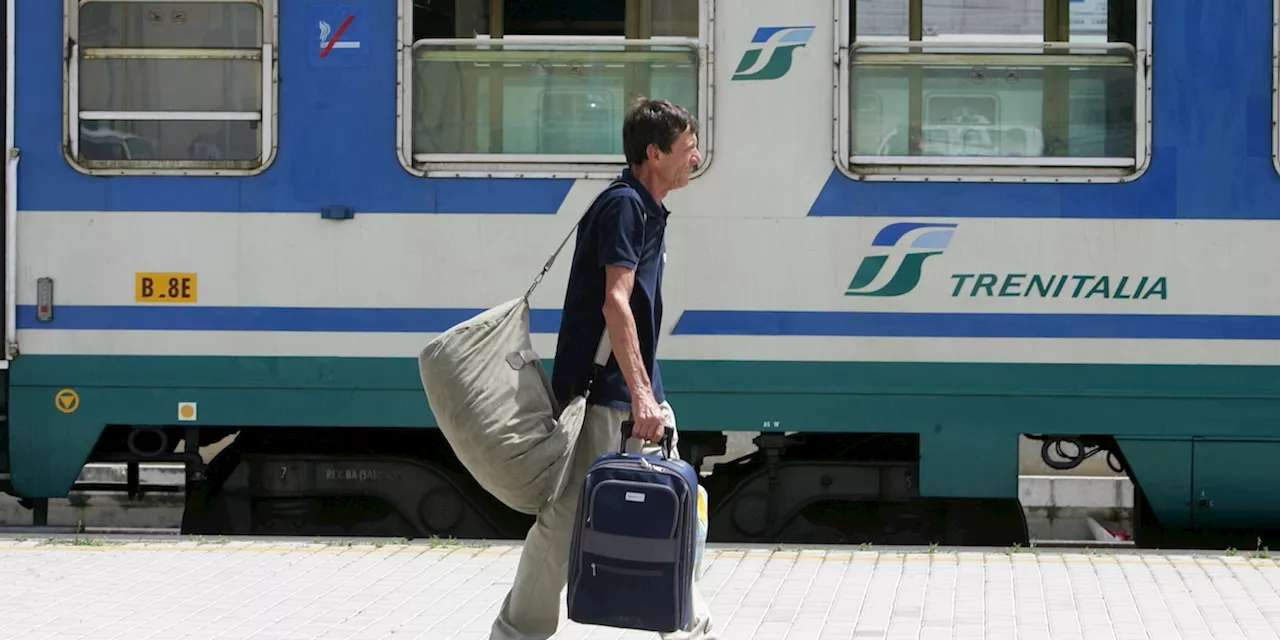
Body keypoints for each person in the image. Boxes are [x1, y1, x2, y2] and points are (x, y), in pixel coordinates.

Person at [489, 98, 716, 640]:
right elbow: (616, 302)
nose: (697, 158)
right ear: (654, 153)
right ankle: (516, 632)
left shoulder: (644, 207)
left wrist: (647, 392)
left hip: (632, 390)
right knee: (568, 515)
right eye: (688, 149)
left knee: (674, 508)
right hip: (609, 395)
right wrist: (640, 396)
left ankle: (687, 623)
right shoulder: (625, 207)